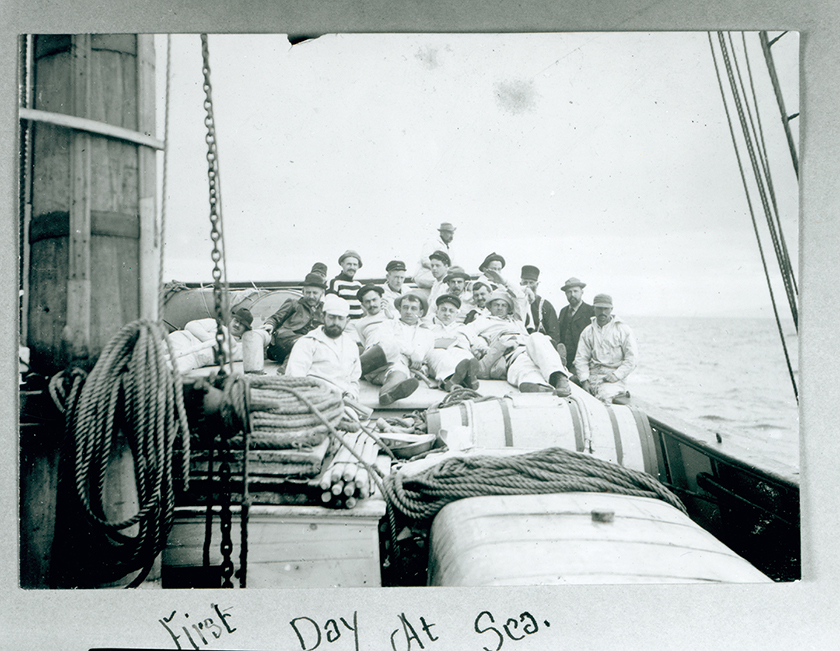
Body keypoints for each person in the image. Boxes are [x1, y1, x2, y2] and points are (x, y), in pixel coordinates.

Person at [462, 290, 571, 396]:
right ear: (490, 307)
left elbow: (520, 297)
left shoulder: (517, 320)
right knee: (522, 363)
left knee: (536, 336)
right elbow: (464, 332)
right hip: (509, 349)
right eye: (496, 305)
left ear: (508, 308)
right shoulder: (482, 321)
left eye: (503, 305)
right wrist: (483, 348)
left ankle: (559, 376)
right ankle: (536, 384)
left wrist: (505, 282)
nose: (500, 308)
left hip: (528, 345)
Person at [361, 292, 435, 405]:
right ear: (399, 310)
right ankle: (351, 370)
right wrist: (410, 352)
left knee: (400, 371)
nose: (408, 311)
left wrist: (419, 362)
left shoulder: (427, 333)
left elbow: (422, 356)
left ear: (421, 312)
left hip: (396, 370)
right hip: (374, 366)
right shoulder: (388, 324)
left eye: (413, 308)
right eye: (405, 307)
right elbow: (385, 343)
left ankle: (387, 394)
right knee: (390, 347)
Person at [285, 294, 362, 400]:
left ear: (347, 321)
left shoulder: (351, 346)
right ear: (322, 317)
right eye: (331, 317)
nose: (336, 322)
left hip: (342, 402)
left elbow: (354, 380)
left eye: (340, 318)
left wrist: (350, 395)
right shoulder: (308, 342)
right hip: (312, 400)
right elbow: (295, 378)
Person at [574, 293, 637, 405]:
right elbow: (581, 358)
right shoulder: (588, 331)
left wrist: (616, 375)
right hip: (592, 376)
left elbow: (632, 359)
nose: (602, 312)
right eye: (599, 308)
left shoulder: (623, 330)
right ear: (594, 308)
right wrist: (584, 380)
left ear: (611, 309)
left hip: (614, 379)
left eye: (606, 309)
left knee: (604, 397)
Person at [262, 272, 325, 364]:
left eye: (315, 293)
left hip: (311, 344)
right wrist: (270, 324)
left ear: (322, 293)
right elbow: (276, 318)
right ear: (303, 292)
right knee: (303, 344)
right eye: (308, 292)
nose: (311, 296)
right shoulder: (293, 303)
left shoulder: (325, 309)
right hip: (286, 341)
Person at [167, 307, 253, 373]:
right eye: (236, 321)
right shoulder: (216, 325)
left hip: (195, 358)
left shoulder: (240, 347)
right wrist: (212, 341)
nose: (237, 325)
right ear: (231, 320)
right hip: (183, 340)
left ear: (246, 329)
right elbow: (190, 326)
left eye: (242, 324)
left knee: (165, 370)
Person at [426, 294, 480, 391]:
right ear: (437, 311)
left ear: (456, 314)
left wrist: (482, 350)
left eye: (451, 311)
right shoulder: (429, 329)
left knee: (464, 355)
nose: (447, 314)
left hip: (459, 352)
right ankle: (451, 379)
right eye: (443, 310)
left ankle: (468, 377)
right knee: (441, 354)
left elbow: (477, 344)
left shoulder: (464, 328)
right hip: (437, 356)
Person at [557, 277, 596, 377]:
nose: (572, 295)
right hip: (566, 362)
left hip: (583, 361)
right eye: (569, 292)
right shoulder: (563, 312)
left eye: (575, 291)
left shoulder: (591, 311)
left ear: (582, 292)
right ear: (565, 294)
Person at [477, 252, 526, 319]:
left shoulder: (501, 283)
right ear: (485, 270)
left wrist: (526, 289)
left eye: (499, 269)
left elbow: (519, 295)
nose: (497, 272)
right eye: (494, 269)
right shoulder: (478, 284)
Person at [520, 265, 560, 345]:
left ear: (537, 284)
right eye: (525, 282)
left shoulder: (545, 306)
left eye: (531, 282)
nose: (528, 286)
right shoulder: (514, 304)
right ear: (520, 284)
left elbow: (554, 334)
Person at [414, 222, 456, 289]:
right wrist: (440, 268)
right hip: (425, 275)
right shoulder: (431, 242)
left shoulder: (450, 247)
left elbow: (451, 264)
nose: (451, 236)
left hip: (439, 275)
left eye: (452, 233)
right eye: (449, 233)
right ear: (442, 233)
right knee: (448, 281)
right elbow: (425, 260)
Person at [326, 250, 364, 320]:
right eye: (349, 264)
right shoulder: (334, 282)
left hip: (359, 323)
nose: (352, 267)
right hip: (344, 324)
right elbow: (331, 306)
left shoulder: (358, 285)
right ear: (342, 264)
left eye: (355, 265)